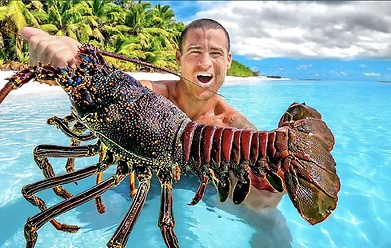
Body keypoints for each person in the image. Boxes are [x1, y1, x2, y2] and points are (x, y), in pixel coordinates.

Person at [19, 18, 284, 210]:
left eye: (215, 53)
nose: (205, 63)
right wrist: (63, 68)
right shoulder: (147, 94)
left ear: (228, 60)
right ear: (178, 57)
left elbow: (264, 201)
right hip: (143, 190)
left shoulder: (236, 128)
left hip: (198, 195)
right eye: (195, 52)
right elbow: (111, 98)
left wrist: (268, 188)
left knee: (272, 231)